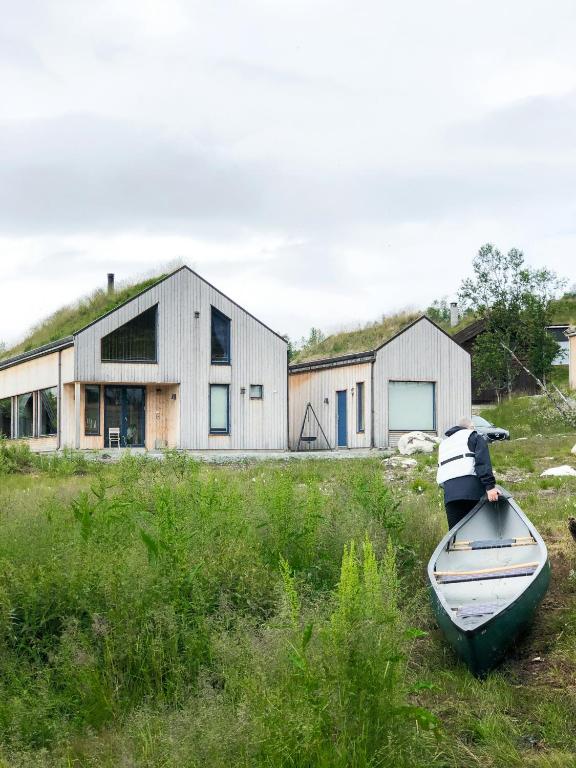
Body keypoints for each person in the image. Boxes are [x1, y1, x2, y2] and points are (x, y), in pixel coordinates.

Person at [436, 417, 499, 529]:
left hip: (450, 495)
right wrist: (490, 487)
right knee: (477, 530)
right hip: (472, 491)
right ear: (470, 427)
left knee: (456, 534)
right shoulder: (474, 436)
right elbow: (482, 463)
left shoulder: (444, 444)